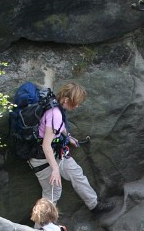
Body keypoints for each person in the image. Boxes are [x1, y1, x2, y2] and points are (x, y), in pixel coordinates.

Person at [27, 82, 114, 214]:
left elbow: (58, 126)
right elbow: (46, 145)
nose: (77, 106)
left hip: (57, 152)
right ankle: (40, 229)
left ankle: (94, 205)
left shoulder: (55, 104)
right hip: (41, 158)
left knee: (76, 174)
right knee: (52, 193)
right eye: (76, 103)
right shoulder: (54, 113)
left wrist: (68, 137)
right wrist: (55, 169)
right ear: (66, 100)